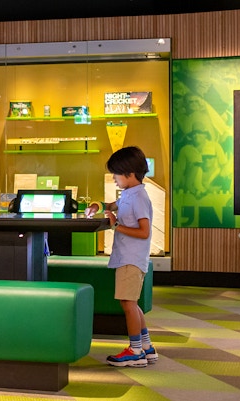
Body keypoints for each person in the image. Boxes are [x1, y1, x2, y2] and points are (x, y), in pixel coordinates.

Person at [84, 146, 157, 367]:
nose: (114, 178)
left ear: (129, 173)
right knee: (132, 303)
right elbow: (111, 206)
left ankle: (135, 351)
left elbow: (144, 232)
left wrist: (116, 225)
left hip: (131, 259)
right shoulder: (129, 194)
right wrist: (96, 206)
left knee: (128, 304)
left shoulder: (139, 198)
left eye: (116, 174)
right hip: (128, 257)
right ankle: (146, 347)